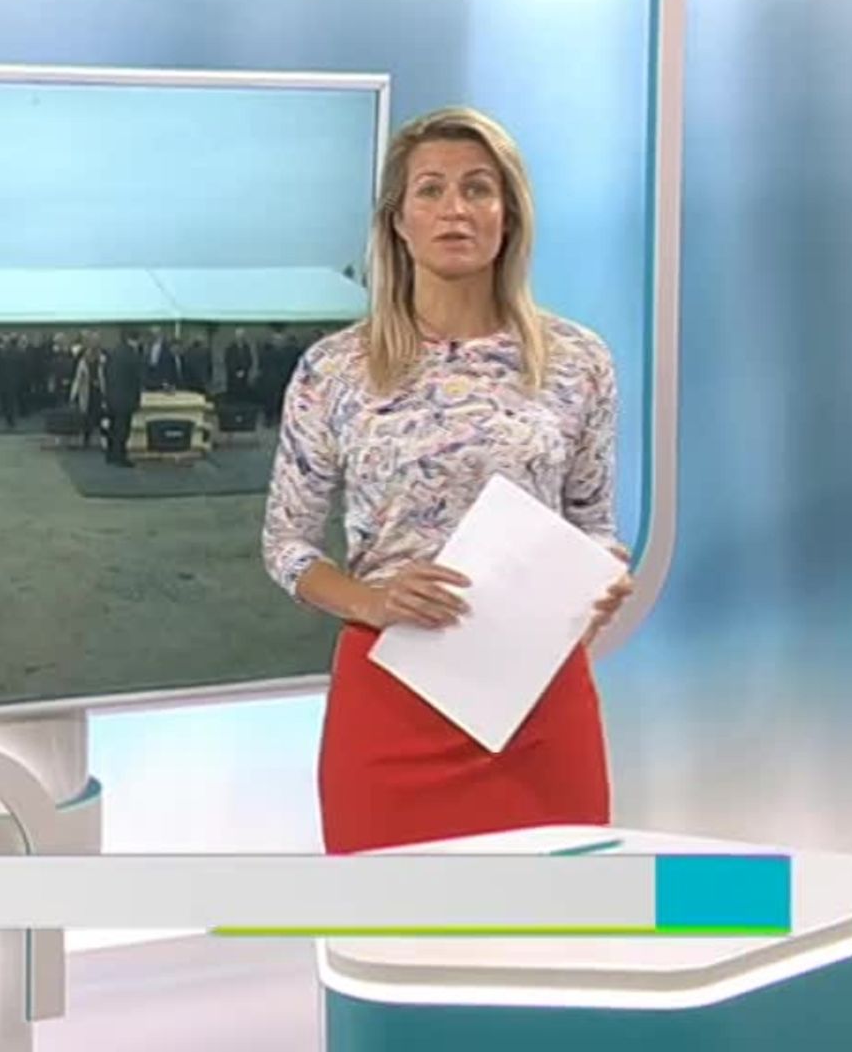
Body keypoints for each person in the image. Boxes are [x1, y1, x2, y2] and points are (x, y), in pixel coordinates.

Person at [260, 106, 634, 856]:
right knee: (392, 917)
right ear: (398, 221)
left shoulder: (578, 361)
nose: (454, 208)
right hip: (391, 698)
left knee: (557, 912)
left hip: (536, 702)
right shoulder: (334, 369)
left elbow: (594, 525)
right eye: (429, 189)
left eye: (477, 188)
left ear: (508, 214)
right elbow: (286, 546)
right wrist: (372, 600)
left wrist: (600, 579)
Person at [101, 328, 144, 467]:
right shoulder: (132, 355)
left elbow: (106, 372)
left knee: (113, 428)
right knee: (123, 430)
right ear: (137, 339)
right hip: (126, 398)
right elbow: (138, 377)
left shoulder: (114, 352)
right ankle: (120, 456)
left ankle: (111, 455)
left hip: (112, 396)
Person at [69, 332, 106, 449]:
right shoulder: (83, 359)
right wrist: (73, 395)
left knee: (101, 416)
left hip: (100, 391)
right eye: (93, 341)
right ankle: (86, 439)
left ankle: (103, 440)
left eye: (97, 341)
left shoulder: (103, 358)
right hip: (87, 392)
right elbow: (77, 378)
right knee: (87, 416)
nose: (94, 344)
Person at [225, 326, 255, 404]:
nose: (240, 337)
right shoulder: (231, 348)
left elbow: (249, 360)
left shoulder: (246, 347)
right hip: (233, 375)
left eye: (241, 335)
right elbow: (228, 361)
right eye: (238, 335)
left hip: (244, 374)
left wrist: (244, 370)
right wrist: (236, 371)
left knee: (243, 392)